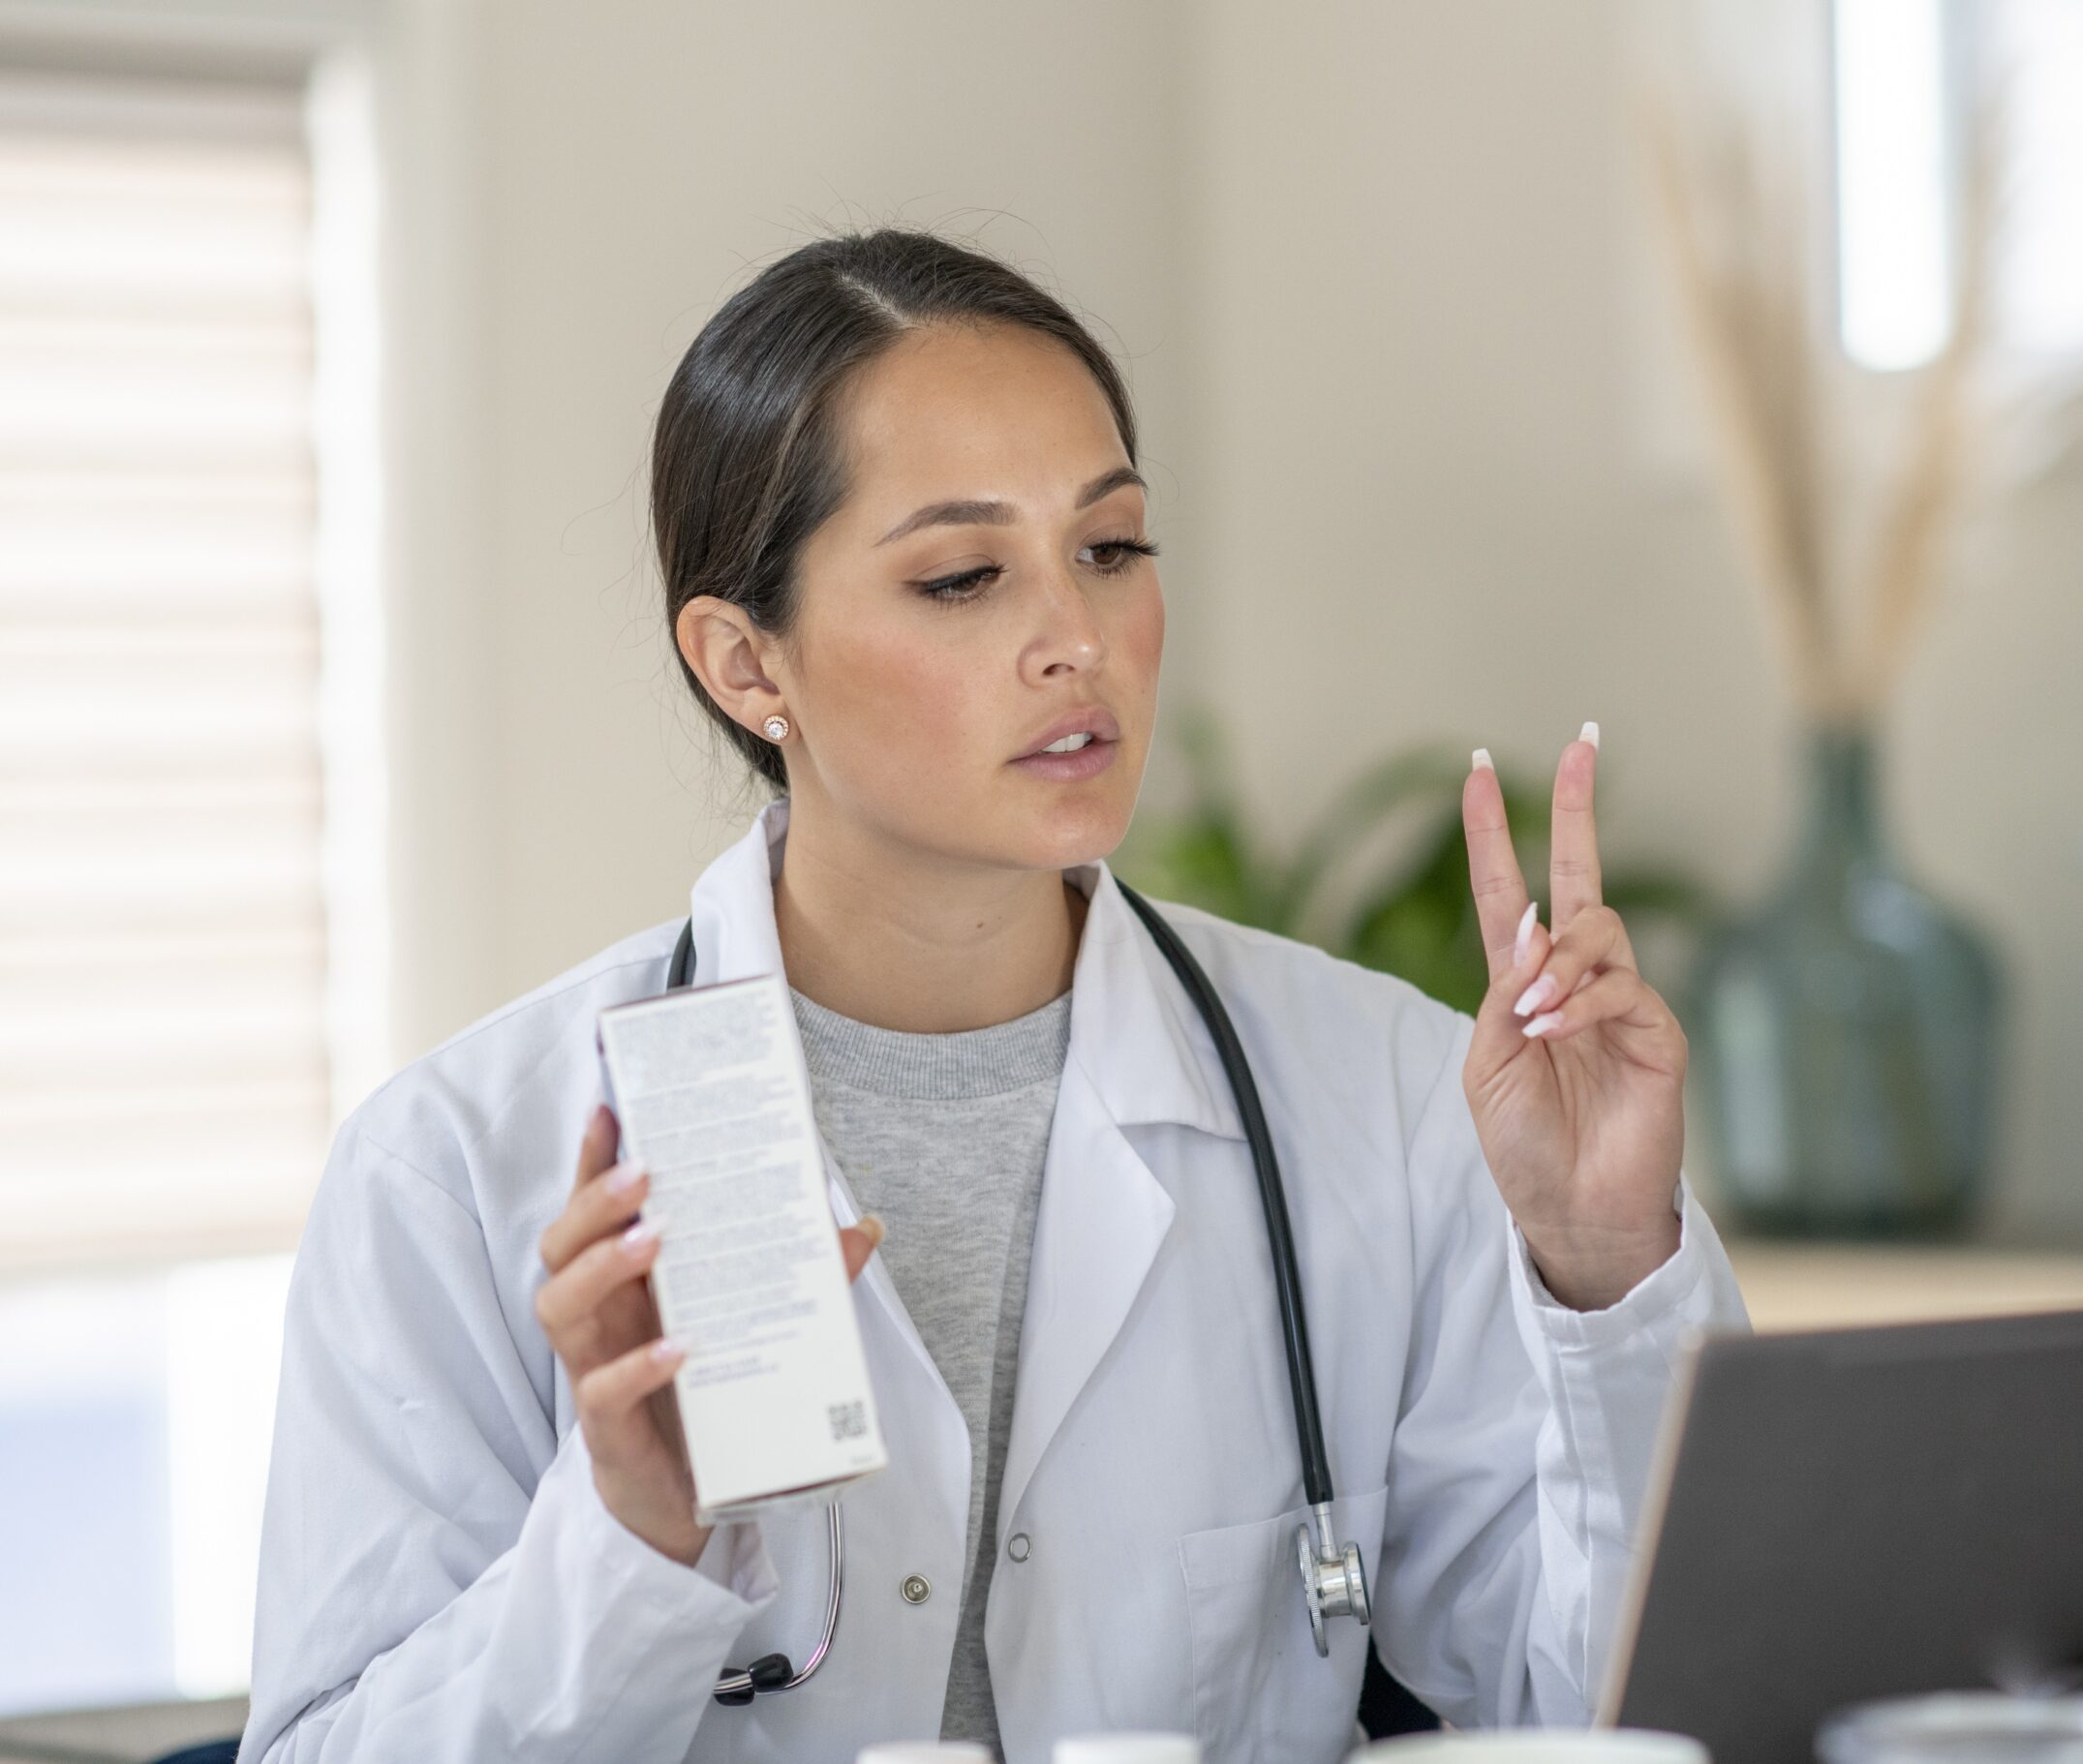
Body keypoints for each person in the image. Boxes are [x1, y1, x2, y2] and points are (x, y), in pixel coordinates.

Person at [237, 229, 1746, 1764]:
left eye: (1111, 548)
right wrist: (630, 1541)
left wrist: (1603, 1267)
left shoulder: (1385, 1095)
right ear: (746, 662)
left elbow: (1627, 1714)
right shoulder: (455, 1170)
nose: (1076, 641)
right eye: (963, 576)